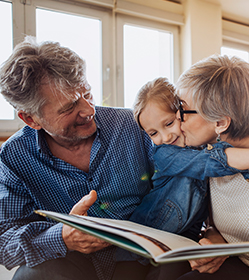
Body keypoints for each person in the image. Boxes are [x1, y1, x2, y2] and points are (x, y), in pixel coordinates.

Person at [0, 36, 156, 280]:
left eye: (88, 93)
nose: (89, 109)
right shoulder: (14, 157)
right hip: (70, 263)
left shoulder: (133, 125)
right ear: (31, 119)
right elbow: (5, 239)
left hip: (144, 259)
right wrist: (62, 237)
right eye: (70, 107)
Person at [115, 77, 249, 270]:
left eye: (169, 123)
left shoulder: (204, 143)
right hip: (141, 243)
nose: (165, 137)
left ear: (181, 115)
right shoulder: (165, 154)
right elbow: (213, 161)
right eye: (153, 133)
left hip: (181, 242)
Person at [174, 54, 249, 280]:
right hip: (247, 267)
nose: (176, 120)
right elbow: (217, 225)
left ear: (220, 122)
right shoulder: (208, 153)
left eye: (183, 110)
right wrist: (215, 244)